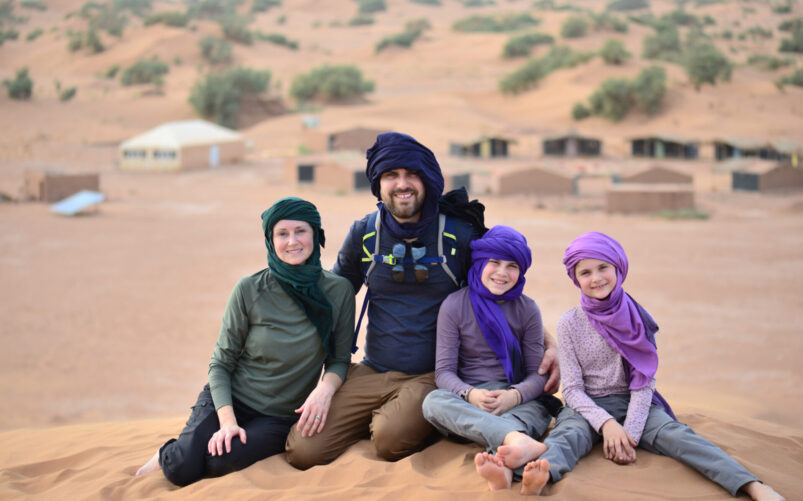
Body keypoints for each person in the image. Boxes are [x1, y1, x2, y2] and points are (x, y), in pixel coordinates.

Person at [285, 132, 561, 469]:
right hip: (372, 369)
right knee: (304, 450)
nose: (402, 184)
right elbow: (329, 301)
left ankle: (417, 420)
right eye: (391, 175)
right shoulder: (365, 234)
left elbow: (502, 287)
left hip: (434, 376)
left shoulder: (459, 234)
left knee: (390, 440)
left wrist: (548, 342)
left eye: (411, 174)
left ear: (427, 180)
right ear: (378, 184)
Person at [519, 231, 784, 501]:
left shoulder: (637, 318)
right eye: (585, 272)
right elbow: (573, 390)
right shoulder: (569, 323)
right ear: (576, 279)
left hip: (636, 403)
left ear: (618, 267)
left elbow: (644, 382)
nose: (596, 278)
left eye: (603, 267)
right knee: (567, 435)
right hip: (587, 407)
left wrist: (630, 434)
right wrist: (607, 424)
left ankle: (752, 485)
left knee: (680, 437)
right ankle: (542, 476)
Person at [135, 197, 355, 486]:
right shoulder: (249, 289)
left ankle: (193, 446)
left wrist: (325, 389)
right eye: (282, 234)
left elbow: (339, 359)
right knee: (181, 468)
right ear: (270, 240)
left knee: (219, 461)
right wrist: (228, 423)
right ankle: (169, 451)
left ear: (315, 234)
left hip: (279, 417)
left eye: (300, 231)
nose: (292, 242)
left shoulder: (339, 291)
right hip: (230, 399)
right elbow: (221, 363)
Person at [421, 225, 562, 493]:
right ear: (480, 261)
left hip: (517, 399)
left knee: (538, 410)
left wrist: (514, 396)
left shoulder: (528, 309)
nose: (501, 273)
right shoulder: (454, 305)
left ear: (521, 271)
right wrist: (471, 394)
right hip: (470, 402)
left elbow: (537, 375)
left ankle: (503, 468)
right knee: (433, 402)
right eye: (494, 262)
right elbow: (444, 373)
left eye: (512, 266)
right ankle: (514, 440)